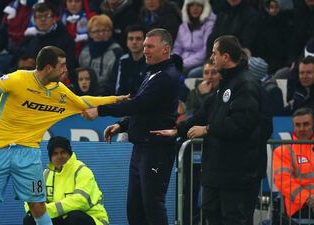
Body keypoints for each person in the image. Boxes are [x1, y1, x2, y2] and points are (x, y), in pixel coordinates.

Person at [0, 46, 130, 225]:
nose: (65, 70)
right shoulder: (17, 79)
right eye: (61, 65)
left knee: (38, 207)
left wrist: (116, 99)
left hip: (29, 155)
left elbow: (84, 101)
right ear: (48, 68)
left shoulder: (59, 91)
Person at [151, 35, 270, 225]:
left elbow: (241, 124)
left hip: (239, 172)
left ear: (226, 56)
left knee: (234, 219)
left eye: (215, 53)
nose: (212, 58)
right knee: (210, 215)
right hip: (218, 171)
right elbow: (202, 114)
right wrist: (177, 130)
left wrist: (207, 129)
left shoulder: (245, 85)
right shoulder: (224, 85)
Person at [82, 28, 181, 225]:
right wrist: (122, 125)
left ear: (165, 49)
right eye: (145, 46)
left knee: (152, 206)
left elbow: (138, 104)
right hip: (142, 147)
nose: (145, 50)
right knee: (135, 207)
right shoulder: (153, 72)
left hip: (156, 148)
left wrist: (100, 110)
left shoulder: (166, 76)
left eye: (150, 46)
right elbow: (144, 109)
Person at [23, 136, 109, 225]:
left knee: (75, 217)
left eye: (63, 152)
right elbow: (30, 198)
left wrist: (45, 210)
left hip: (92, 219)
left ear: (69, 153)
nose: (59, 156)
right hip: (61, 218)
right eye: (55, 153)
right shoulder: (45, 174)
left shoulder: (82, 171)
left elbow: (80, 202)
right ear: (50, 157)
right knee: (30, 219)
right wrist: (35, 210)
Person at [272, 107, 314, 219]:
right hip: (299, 207)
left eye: (306, 124)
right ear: (293, 126)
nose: (301, 128)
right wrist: (308, 198)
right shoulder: (283, 151)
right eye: (298, 125)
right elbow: (284, 182)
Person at [78, 14, 123, 96]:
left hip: (106, 95)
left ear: (110, 32)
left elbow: (115, 80)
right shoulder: (85, 51)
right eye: (97, 31)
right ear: (90, 34)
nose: (101, 34)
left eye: (105, 30)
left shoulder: (117, 51)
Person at [172, 0, 216, 77]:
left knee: (190, 74)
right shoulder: (183, 26)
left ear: (204, 8)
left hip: (201, 62)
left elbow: (205, 52)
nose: (195, 8)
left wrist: (182, 63)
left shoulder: (209, 25)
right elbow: (177, 48)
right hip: (183, 62)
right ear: (187, 8)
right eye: (192, 5)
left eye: (198, 5)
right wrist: (174, 61)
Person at [114, 24, 147, 97]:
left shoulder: (151, 61)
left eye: (138, 39)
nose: (134, 42)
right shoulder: (122, 60)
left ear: (145, 41)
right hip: (124, 102)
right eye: (130, 39)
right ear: (126, 41)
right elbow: (118, 89)